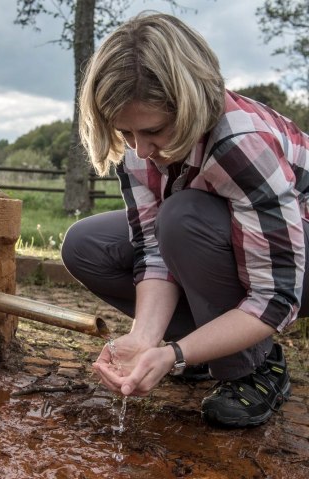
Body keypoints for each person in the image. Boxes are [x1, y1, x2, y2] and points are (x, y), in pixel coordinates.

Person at [61, 12, 309, 428]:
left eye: (153, 131)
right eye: (126, 133)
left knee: (182, 217)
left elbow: (277, 294)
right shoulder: (140, 145)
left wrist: (177, 353)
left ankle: (254, 366)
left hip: (293, 266)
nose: (139, 151)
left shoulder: (241, 143)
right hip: (226, 245)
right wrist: (145, 337)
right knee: (87, 246)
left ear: (191, 104)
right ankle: (204, 346)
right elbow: (154, 251)